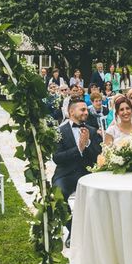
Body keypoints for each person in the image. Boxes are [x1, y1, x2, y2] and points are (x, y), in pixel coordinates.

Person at [51, 98, 102, 247]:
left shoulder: (92, 131)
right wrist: (78, 148)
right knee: (57, 196)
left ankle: (95, 233)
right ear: (71, 112)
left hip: (87, 173)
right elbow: (57, 158)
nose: (86, 112)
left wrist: (87, 144)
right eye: (82, 110)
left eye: (86, 109)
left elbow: (98, 157)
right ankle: (73, 230)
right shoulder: (59, 131)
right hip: (66, 173)